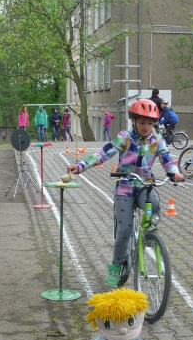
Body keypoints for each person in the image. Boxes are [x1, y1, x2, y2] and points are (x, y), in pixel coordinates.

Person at [67, 98, 183, 287]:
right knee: (126, 229)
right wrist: (80, 166)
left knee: (154, 203)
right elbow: (103, 153)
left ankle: (150, 232)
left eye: (150, 123)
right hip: (125, 186)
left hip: (145, 185)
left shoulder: (158, 140)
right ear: (134, 121)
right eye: (142, 122)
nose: (146, 127)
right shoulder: (125, 137)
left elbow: (167, 160)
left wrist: (175, 172)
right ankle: (115, 267)